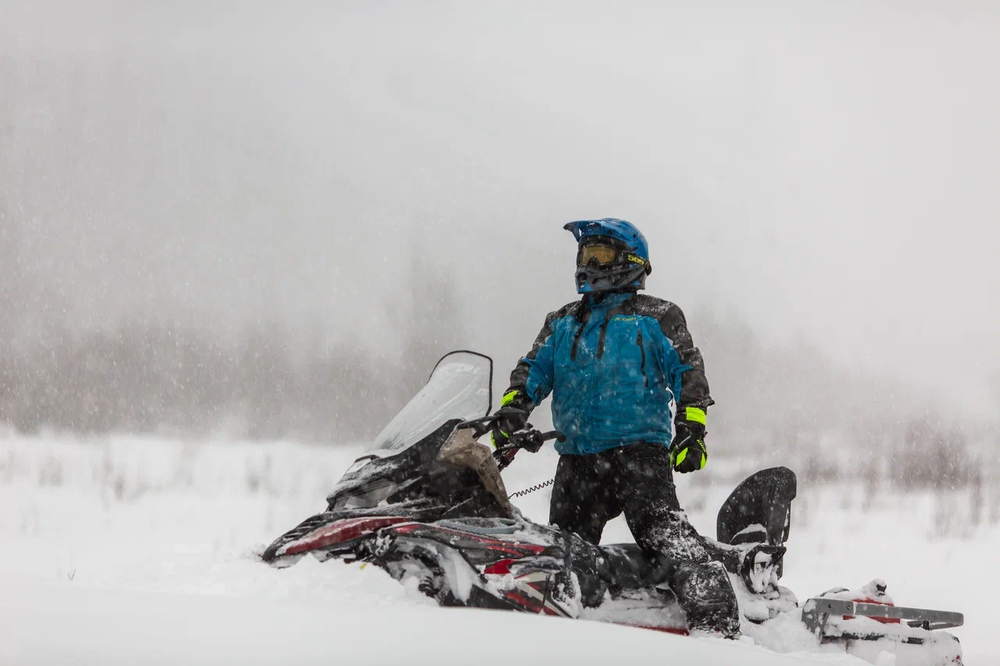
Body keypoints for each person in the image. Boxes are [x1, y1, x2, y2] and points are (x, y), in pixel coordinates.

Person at [491, 218, 741, 636]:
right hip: (577, 461)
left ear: (630, 262)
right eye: (585, 255)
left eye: (600, 256)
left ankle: (719, 628)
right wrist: (513, 409)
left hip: (639, 456)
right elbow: (532, 369)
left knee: (670, 542)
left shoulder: (657, 316)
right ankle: (564, 635)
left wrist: (692, 427)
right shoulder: (562, 321)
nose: (588, 265)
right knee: (563, 556)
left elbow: (688, 370)